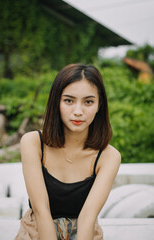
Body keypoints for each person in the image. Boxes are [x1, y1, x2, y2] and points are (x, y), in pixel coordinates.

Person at [15, 63, 121, 240]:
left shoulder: (108, 157)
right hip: (37, 230)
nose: (78, 111)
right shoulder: (33, 143)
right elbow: (41, 210)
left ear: (99, 105)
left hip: (84, 232)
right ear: (57, 102)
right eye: (69, 101)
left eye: (88, 102)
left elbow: (88, 217)